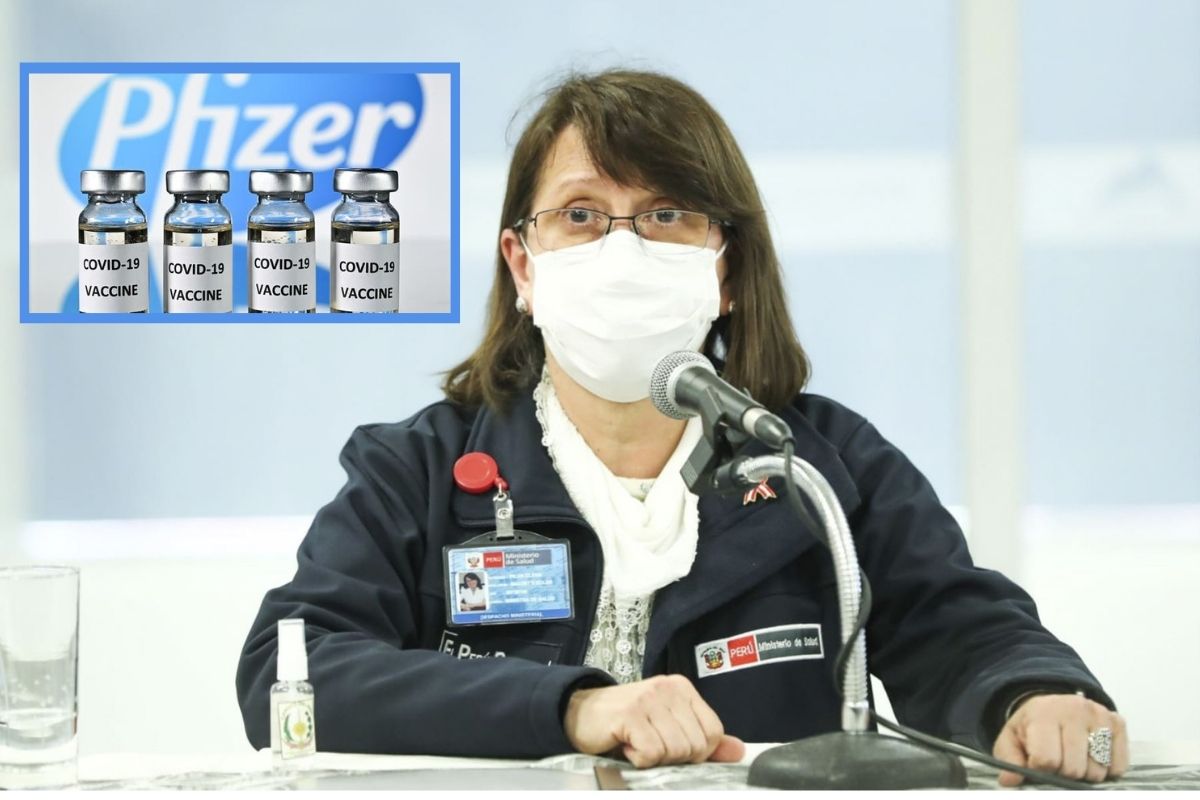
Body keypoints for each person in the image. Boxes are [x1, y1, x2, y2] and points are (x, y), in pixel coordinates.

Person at [236, 69, 1128, 784]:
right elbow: (294, 674)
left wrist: (1032, 696)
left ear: (726, 270)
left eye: (667, 215)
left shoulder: (820, 464)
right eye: (581, 215)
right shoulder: (421, 469)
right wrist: (573, 708)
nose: (624, 248)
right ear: (523, 265)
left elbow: (960, 626)